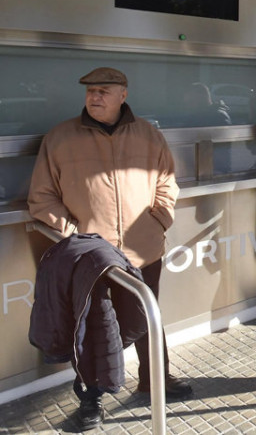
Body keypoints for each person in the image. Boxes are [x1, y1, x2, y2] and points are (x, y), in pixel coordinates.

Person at [28, 67, 191, 431]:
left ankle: (155, 380)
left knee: (148, 317)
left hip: (143, 248)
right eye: (90, 91)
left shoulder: (148, 134)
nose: (94, 97)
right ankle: (91, 397)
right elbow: (41, 198)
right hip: (91, 257)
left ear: (124, 95)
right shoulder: (60, 138)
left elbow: (167, 181)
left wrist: (159, 220)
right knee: (90, 327)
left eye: (103, 91)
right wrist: (75, 234)